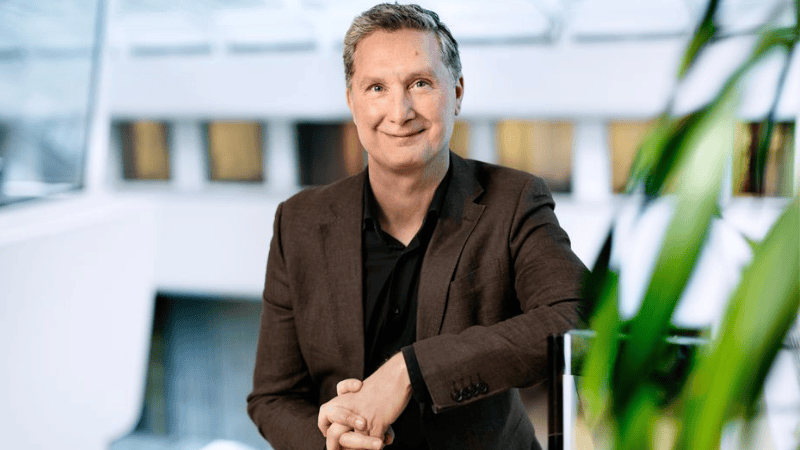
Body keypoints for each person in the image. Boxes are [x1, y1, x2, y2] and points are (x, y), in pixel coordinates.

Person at [246, 3, 587, 450]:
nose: (400, 110)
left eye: (420, 84)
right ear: (351, 101)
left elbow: (576, 317)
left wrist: (410, 371)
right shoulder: (299, 222)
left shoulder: (514, 200)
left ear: (458, 92)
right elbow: (274, 397)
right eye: (376, 88)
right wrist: (335, 443)